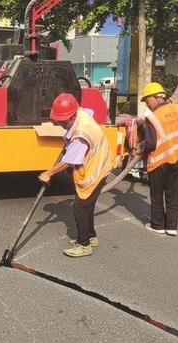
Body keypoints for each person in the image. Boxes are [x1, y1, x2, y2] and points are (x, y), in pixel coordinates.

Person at [38, 93, 113, 258]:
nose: (60, 124)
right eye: (58, 120)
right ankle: (91, 237)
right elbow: (91, 111)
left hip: (95, 171)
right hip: (102, 164)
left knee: (79, 207)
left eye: (63, 121)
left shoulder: (80, 134)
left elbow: (70, 160)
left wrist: (48, 173)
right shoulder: (82, 113)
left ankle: (84, 244)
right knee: (87, 206)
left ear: (72, 116)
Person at [139, 82, 178, 236]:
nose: (147, 104)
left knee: (156, 195)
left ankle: (157, 225)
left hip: (160, 161)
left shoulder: (152, 118)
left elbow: (150, 143)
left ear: (155, 98)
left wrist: (140, 148)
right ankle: (172, 227)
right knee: (173, 193)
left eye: (147, 101)